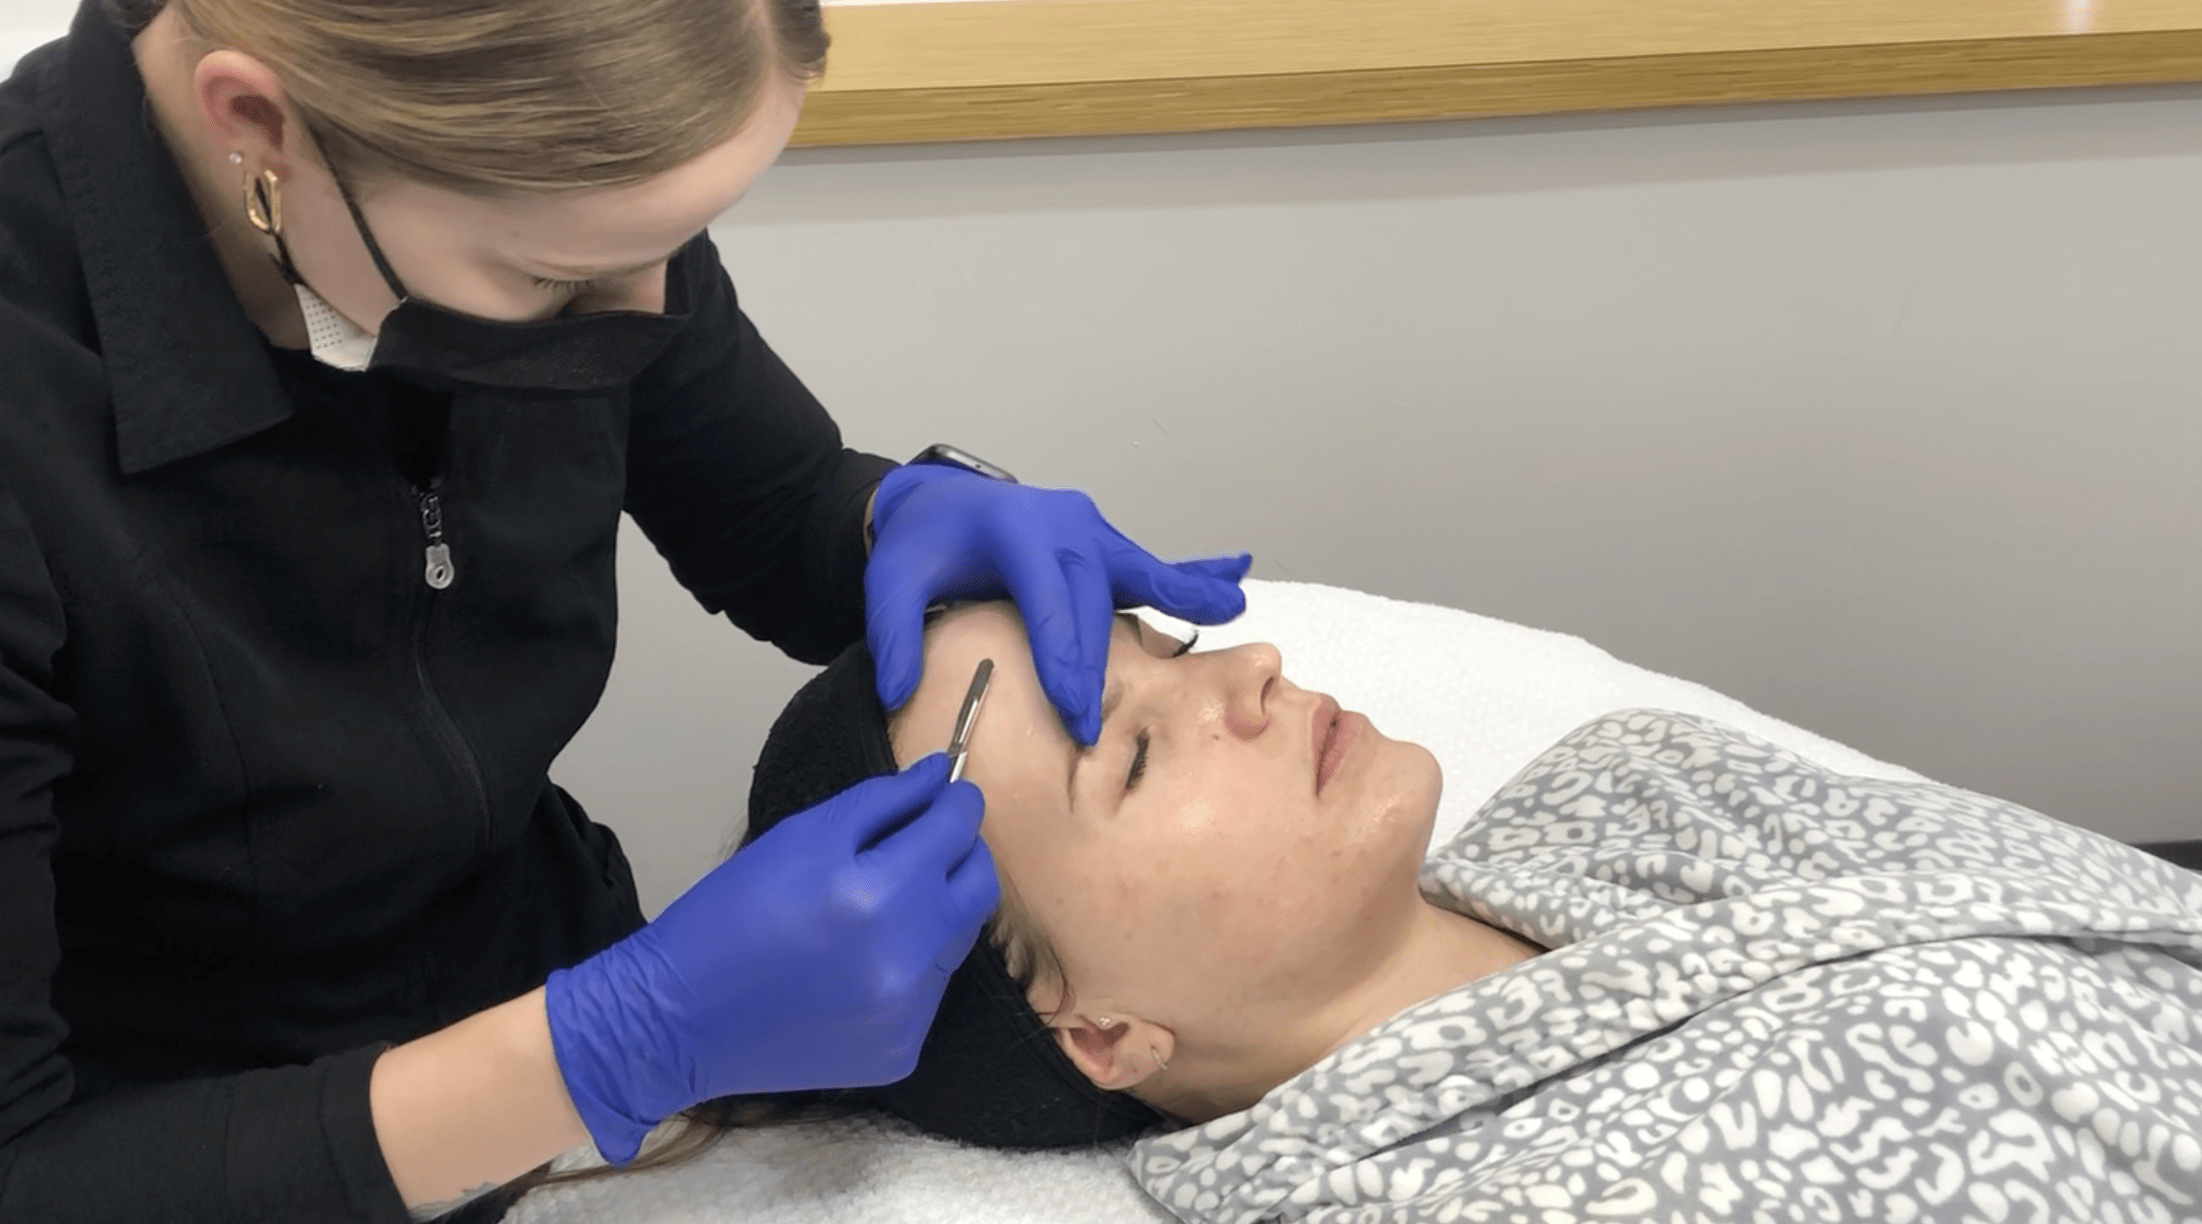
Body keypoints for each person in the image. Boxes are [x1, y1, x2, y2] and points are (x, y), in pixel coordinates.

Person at [0, 0, 1251, 1219]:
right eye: (557, 277)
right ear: (257, 120)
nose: (649, 312)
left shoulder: (556, 215)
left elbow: (775, 507)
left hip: (581, 1057)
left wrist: (884, 515)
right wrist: (613, 1045)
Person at [736, 601, 2202, 1222]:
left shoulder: (1637, 789)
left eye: (1168, 649)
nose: (1244, 671)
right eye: (1131, 750)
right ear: (1098, 1028)